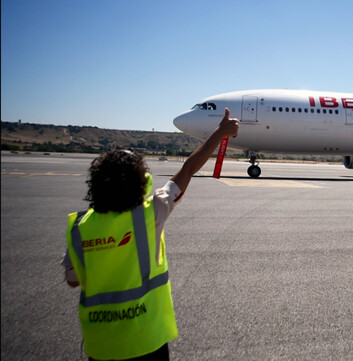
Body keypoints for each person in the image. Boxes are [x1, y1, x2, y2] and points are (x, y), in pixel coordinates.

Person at [62, 109, 239, 360]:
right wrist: (221, 133)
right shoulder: (150, 214)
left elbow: (73, 280)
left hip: (100, 346)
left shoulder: (79, 227)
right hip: (146, 340)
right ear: (142, 182)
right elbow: (188, 169)